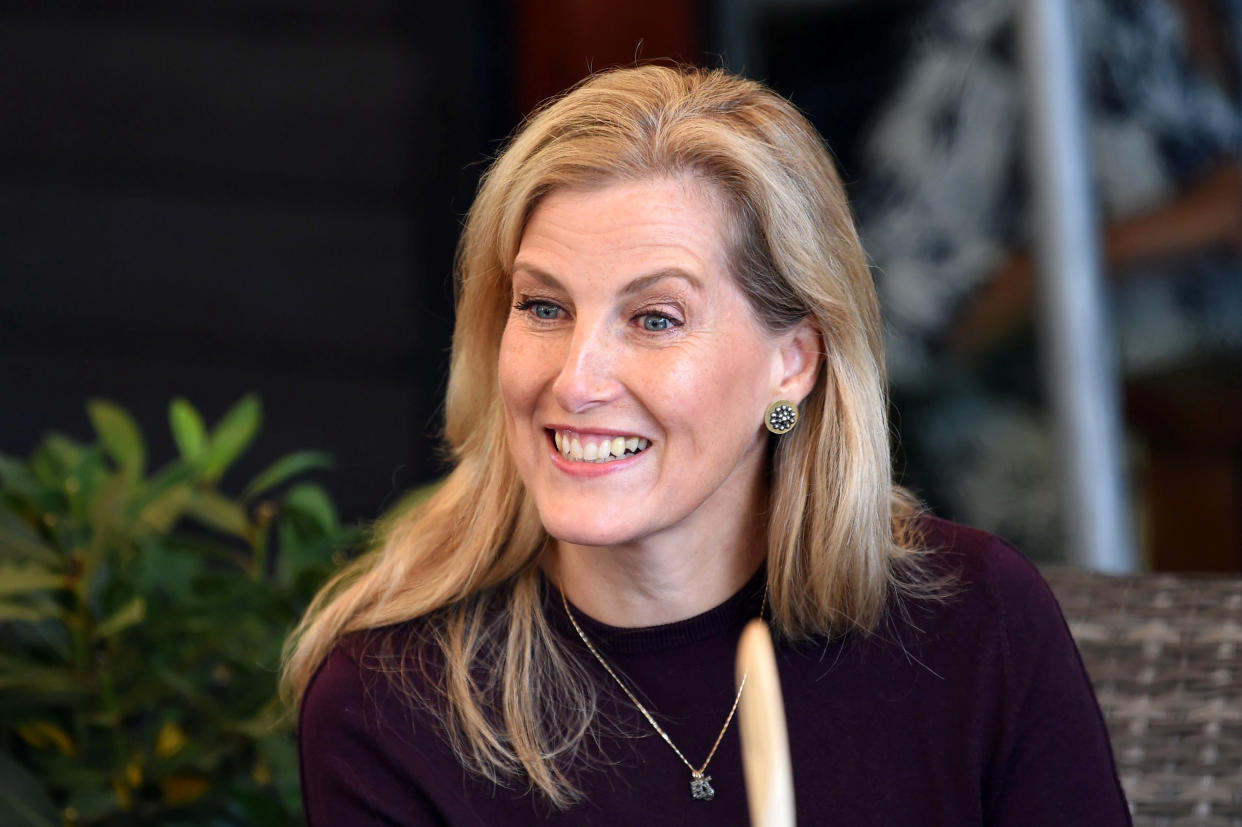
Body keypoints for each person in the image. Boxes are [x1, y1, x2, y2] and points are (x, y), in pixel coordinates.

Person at [283, 65, 1131, 825]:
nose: (577, 381)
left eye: (655, 318)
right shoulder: (389, 706)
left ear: (792, 362)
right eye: (543, 307)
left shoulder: (973, 623)